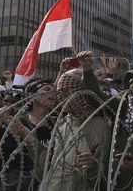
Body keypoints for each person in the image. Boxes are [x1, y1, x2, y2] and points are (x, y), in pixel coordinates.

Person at [42, 61, 111, 191]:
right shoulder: (64, 121)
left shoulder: (100, 126)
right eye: (61, 92)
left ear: (82, 92)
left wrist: (92, 165)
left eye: (68, 91)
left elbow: (104, 172)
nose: (63, 97)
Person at [0, 78, 56, 190]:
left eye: (54, 90)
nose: (53, 93)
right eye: (47, 89)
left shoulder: (58, 124)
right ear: (32, 95)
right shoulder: (16, 123)